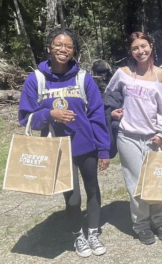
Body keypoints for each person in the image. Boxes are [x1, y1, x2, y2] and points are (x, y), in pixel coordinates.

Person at [18, 28, 110, 258]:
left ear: (74, 50)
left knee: (93, 190)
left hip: (86, 146)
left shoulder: (83, 78)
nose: (63, 50)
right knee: (73, 198)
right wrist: (50, 114)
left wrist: (104, 149)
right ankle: (78, 235)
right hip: (57, 149)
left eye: (68, 46)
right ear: (50, 47)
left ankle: (93, 233)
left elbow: (97, 115)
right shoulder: (36, 79)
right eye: (58, 45)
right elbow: (26, 118)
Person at [105, 32, 162, 245]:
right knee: (136, 183)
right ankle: (141, 224)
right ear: (130, 51)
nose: (140, 51)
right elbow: (108, 95)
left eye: (144, 46)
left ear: (151, 46)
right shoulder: (123, 73)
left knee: (156, 180)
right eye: (135, 48)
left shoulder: (161, 75)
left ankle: (160, 220)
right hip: (128, 136)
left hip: (152, 138)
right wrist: (113, 112)